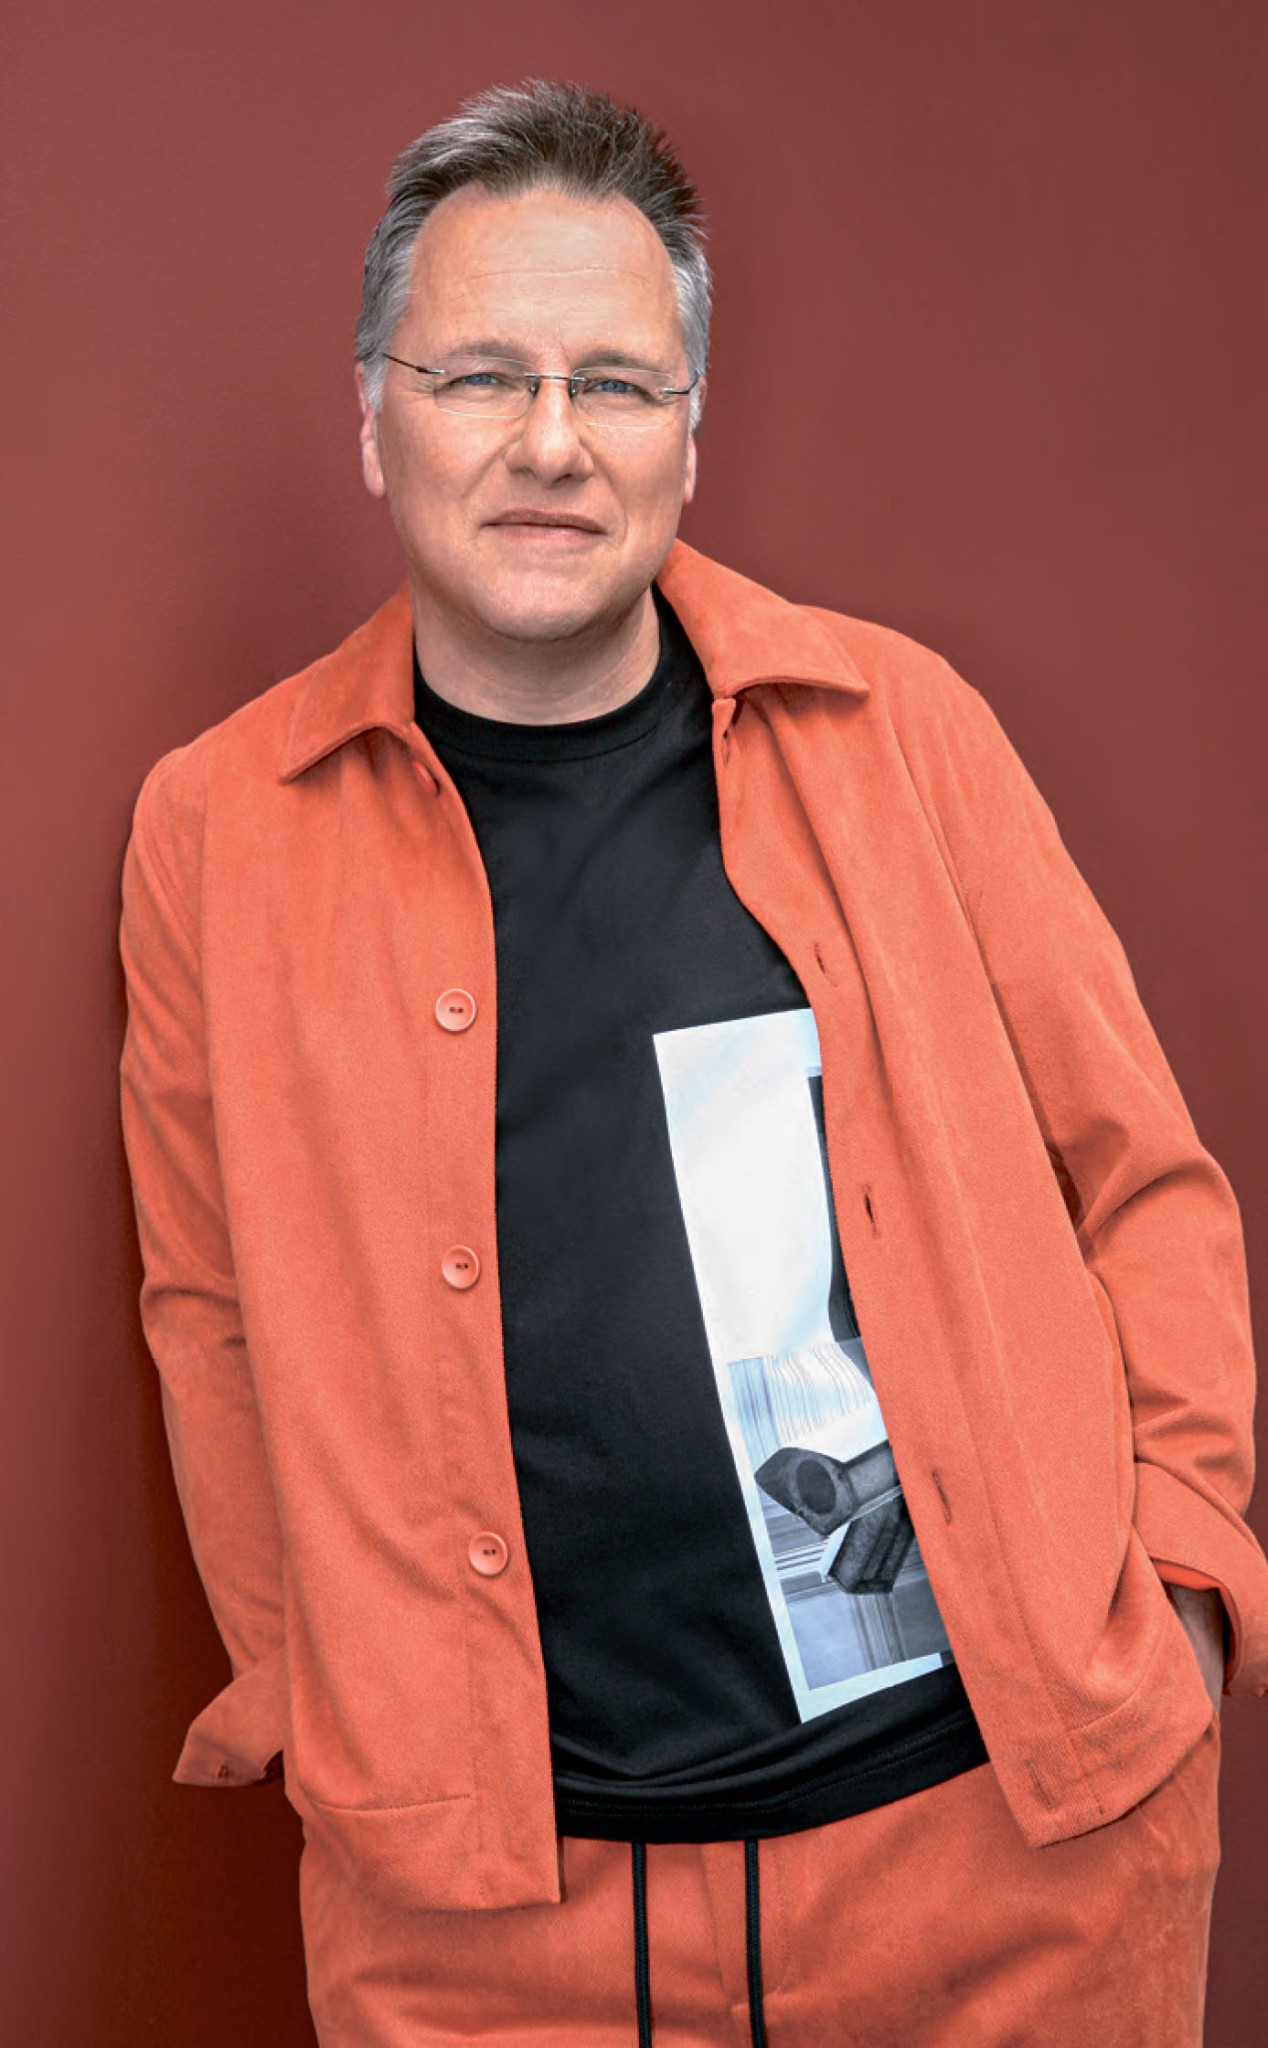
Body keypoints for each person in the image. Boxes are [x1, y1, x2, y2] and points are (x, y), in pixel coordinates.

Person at [119, 79, 1268, 2048]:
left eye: (616, 384)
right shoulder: (216, 830)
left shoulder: (900, 730)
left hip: (1005, 1866)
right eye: (481, 375)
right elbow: (209, 1304)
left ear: (690, 432)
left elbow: (1138, 1181)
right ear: (373, 414)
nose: (551, 442)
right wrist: (330, 1709)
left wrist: (1178, 1592)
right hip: (488, 1931)